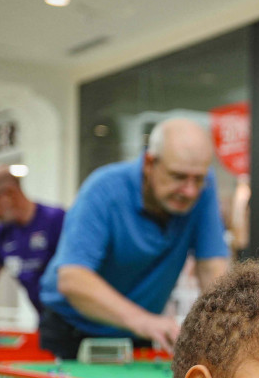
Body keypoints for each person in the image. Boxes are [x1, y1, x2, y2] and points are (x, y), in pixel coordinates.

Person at [38, 118, 231, 358]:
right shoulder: (103, 189)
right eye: (178, 177)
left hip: (139, 333)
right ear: (150, 163)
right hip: (72, 331)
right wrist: (145, 321)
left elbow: (211, 267)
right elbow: (72, 279)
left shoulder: (204, 188)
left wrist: (225, 329)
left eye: (198, 178)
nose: (190, 191)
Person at [0, 165, 65, 315]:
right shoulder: (3, 232)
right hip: (46, 319)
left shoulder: (55, 220)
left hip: (73, 317)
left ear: (9, 193)